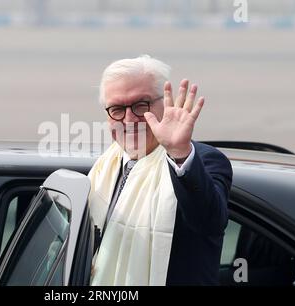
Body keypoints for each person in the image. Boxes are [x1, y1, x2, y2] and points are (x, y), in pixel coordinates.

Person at [88, 55, 233, 285]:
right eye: (116, 109)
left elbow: (209, 221)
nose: (129, 119)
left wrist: (179, 153)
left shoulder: (201, 161)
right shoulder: (105, 167)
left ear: (165, 104)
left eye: (140, 105)